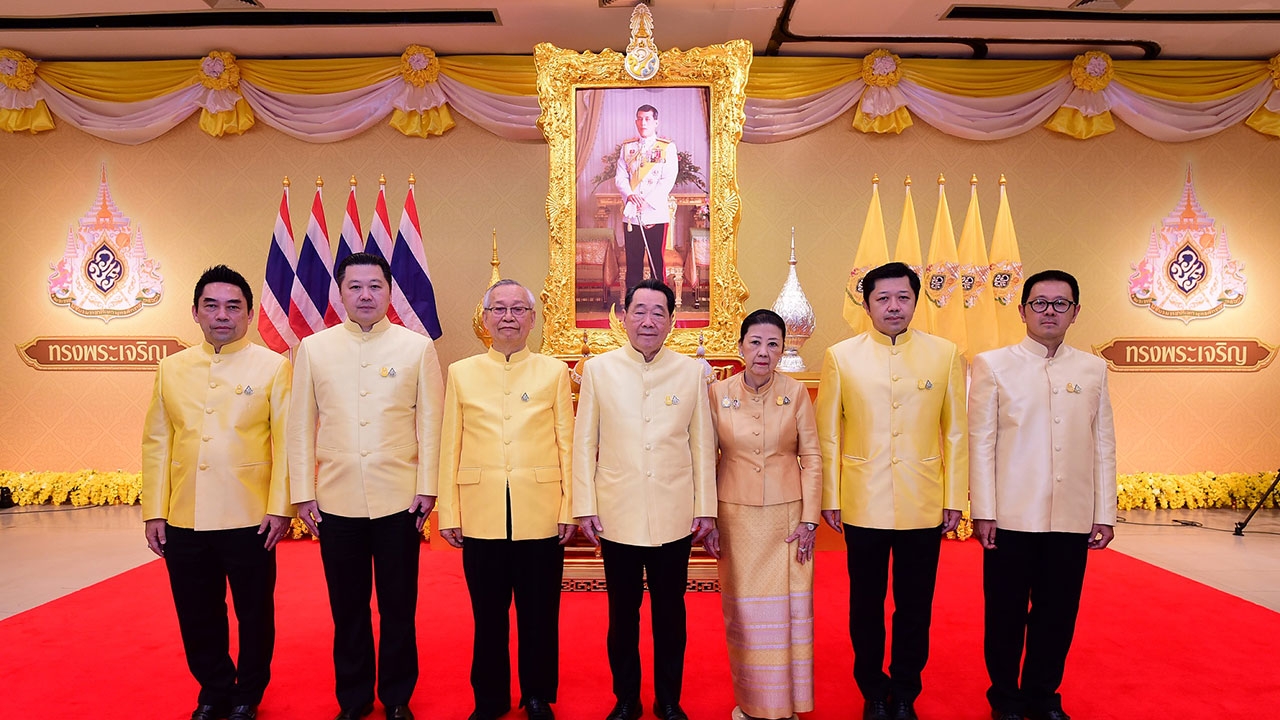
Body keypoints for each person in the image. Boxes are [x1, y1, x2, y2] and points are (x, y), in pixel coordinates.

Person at [288, 252, 444, 720]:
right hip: (335, 501)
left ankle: (397, 698)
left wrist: (428, 487)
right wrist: (303, 491)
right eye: (355, 287)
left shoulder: (416, 348)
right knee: (348, 609)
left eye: (375, 286)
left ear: (389, 291)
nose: (365, 295)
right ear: (340, 292)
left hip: (400, 500)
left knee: (398, 607)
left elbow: (432, 423)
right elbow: (300, 425)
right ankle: (353, 700)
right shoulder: (314, 348)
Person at [815, 262, 968, 720]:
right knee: (865, 604)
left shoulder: (944, 354)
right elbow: (828, 434)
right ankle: (872, 691)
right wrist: (831, 497)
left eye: (903, 297)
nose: (894, 306)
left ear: (915, 300)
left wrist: (953, 497)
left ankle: (905, 691)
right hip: (863, 501)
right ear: (867, 304)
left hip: (924, 501)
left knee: (915, 605)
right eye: (883, 298)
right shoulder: (841, 355)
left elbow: (956, 432)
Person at [141, 264, 292, 720]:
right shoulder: (171, 368)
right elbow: (157, 442)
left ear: (248, 315)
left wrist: (280, 507)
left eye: (233, 306)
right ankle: (213, 689)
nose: (221, 315)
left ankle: (248, 692)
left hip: (251, 516)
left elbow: (286, 441)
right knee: (196, 611)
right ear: (195, 312)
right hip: (185, 515)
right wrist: (155, 512)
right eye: (212, 305)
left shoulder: (273, 366)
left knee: (254, 612)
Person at [969, 270, 1117, 720]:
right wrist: (984, 511)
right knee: (1006, 613)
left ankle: (1042, 694)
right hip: (1011, 517)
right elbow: (981, 442)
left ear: (1075, 312)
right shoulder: (993, 364)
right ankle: (1005, 697)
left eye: (1060, 303)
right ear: (1022, 311)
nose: (1049, 311)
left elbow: (1103, 443)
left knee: (1058, 614)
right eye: (1039, 302)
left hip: (1071, 517)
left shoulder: (1092, 368)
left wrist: (1104, 511)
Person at [574, 278, 716, 720]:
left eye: (658, 312)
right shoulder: (599, 370)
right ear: (624, 315)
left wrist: (705, 508)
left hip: (675, 514)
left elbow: (702, 445)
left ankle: (669, 700)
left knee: (671, 615)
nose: (648, 321)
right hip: (617, 513)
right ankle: (627, 699)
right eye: (640, 311)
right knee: (623, 616)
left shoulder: (692, 372)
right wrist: (585, 505)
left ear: (672, 321)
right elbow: (584, 443)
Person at [436, 279, 576, 720]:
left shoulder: (553, 372)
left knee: (539, 613)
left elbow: (566, 445)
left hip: (540, 510)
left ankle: (537, 695)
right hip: (482, 512)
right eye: (499, 309)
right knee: (488, 616)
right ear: (485, 318)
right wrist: (449, 510)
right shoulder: (461, 372)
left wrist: (569, 507)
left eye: (518, 309)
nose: (509, 317)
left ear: (533, 319)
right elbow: (450, 445)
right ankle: (490, 699)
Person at [703, 309, 822, 720]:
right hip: (734, 515)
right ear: (740, 347)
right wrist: (708, 517)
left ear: (782, 350)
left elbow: (812, 456)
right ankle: (754, 702)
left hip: (788, 518)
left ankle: (789, 703)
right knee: (746, 613)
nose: (763, 352)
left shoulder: (797, 392)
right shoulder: (717, 393)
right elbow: (705, 458)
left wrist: (810, 519)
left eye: (774, 344)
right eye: (755, 342)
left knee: (788, 611)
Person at [614, 104, 680, 291]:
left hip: (654, 213)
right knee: (633, 261)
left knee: (655, 262)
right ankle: (633, 302)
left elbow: (668, 179)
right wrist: (630, 195)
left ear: (656, 122)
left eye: (648, 119)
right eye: (640, 118)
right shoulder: (627, 148)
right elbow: (620, 177)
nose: (643, 122)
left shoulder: (667, 147)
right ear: (636, 121)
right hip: (632, 214)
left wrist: (647, 201)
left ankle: (660, 300)